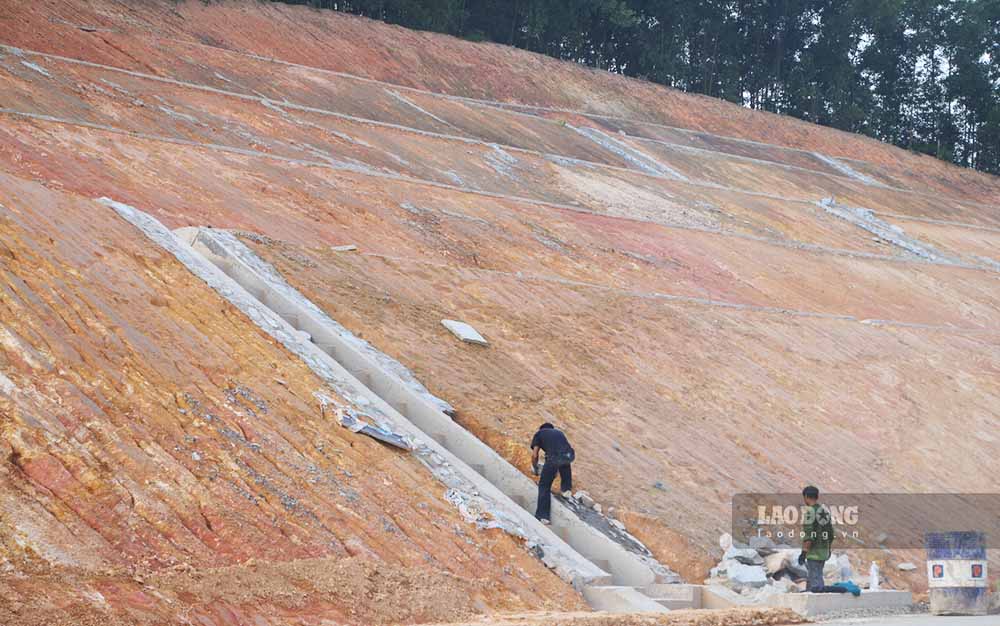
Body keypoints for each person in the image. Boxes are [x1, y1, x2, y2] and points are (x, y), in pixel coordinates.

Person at [798, 485, 847, 593]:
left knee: (816, 587)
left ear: (806, 496)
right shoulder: (824, 512)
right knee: (814, 578)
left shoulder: (810, 512)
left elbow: (809, 536)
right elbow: (830, 534)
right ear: (817, 496)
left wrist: (803, 552)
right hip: (823, 552)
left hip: (814, 553)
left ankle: (838, 590)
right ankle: (810, 593)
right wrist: (827, 549)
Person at [530, 423, 574, 524]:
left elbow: (535, 454)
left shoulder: (539, 434)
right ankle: (566, 490)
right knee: (564, 462)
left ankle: (543, 516)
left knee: (544, 485)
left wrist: (535, 466)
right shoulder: (559, 433)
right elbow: (563, 451)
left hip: (554, 458)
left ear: (541, 428)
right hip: (569, 455)